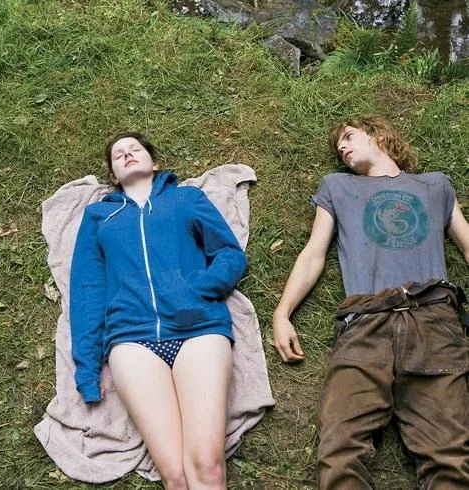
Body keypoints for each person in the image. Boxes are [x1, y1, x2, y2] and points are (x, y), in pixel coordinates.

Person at [272, 115, 469, 489]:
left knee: (448, 457)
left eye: (348, 137)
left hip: (432, 322)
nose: (342, 147)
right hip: (365, 323)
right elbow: (314, 253)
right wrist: (282, 314)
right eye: (339, 147)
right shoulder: (337, 187)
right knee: (339, 451)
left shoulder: (434, 185)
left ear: (379, 135)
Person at [69, 132, 247, 489]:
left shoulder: (186, 198)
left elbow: (229, 253)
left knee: (207, 467)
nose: (127, 154)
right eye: (119, 154)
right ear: (113, 175)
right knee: (175, 476)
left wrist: (196, 289)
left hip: (199, 329)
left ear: (155, 163)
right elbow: (87, 290)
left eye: (135, 149)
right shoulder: (99, 216)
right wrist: (88, 369)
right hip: (131, 340)